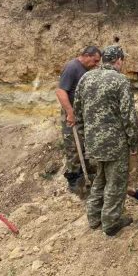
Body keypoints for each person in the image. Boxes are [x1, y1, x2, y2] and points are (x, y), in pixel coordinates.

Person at [74, 45, 138, 236]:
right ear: (118, 60)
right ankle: (111, 222)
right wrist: (134, 142)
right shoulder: (120, 81)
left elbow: (77, 111)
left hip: (93, 142)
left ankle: (94, 217)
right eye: (122, 60)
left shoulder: (86, 78)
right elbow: (129, 116)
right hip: (115, 143)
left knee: (100, 179)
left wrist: (86, 136)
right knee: (116, 182)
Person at [56, 46, 101, 193]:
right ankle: (74, 182)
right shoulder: (72, 67)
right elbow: (61, 91)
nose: (96, 64)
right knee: (73, 148)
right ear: (86, 56)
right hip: (71, 116)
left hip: (81, 116)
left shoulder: (84, 70)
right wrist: (70, 113)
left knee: (82, 146)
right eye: (94, 61)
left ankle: (85, 177)